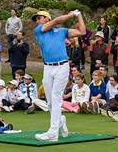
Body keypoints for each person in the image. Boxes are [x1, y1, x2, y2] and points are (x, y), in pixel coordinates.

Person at [32, 9, 86, 141]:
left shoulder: (62, 32)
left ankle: (53, 132)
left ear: (46, 18)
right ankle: (60, 120)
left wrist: (78, 16)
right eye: (36, 19)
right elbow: (57, 21)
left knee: (56, 98)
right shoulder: (39, 30)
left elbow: (82, 32)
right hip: (48, 68)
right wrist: (71, 14)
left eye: (40, 18)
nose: (37, 21)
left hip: (62, 66)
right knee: (50, 102)